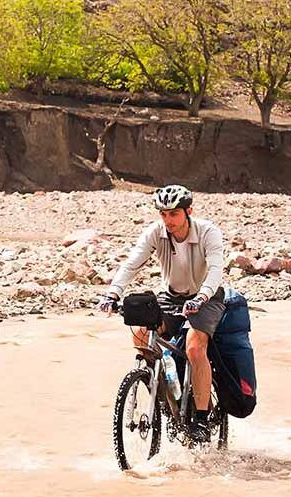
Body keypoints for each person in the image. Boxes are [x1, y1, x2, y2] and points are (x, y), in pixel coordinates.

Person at [98, 184, 228, 443]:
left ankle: (201, 418)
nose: (168, 220)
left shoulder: (207, 232)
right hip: (170, 297)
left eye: (174, 214)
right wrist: (113, 293)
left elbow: (215, 269)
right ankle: (162, 395)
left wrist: (202, 296)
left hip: (207, 297)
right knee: (140, 335)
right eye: (163, 214)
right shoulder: (156, 233)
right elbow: (132, 263)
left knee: (194, 347)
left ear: (188, 211)